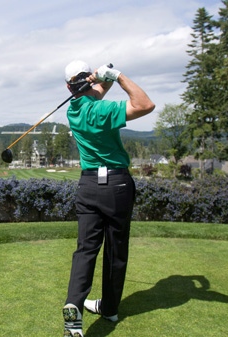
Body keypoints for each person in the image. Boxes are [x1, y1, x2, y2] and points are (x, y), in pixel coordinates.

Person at [62, 60, 155, 336]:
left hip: (88, 185)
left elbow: (96, 92)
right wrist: (116, 75)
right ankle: (110, 308)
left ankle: (74, 304)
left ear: (69, 87)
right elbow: (144, 104)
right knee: (116, 249)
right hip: (116, 185)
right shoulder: (103, 110)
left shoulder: (73, 110)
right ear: (87, 82)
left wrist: (101, 78)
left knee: (85, 249)